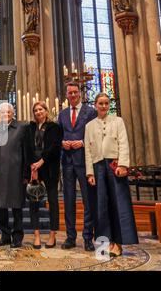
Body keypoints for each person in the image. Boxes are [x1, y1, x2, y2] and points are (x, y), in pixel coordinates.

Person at [85, 93, 138, 257]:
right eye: (100, 103)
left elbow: (124, 143)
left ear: (109, 105)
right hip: (98, 166)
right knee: (101, 206)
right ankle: (105, 243)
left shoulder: (118, 121)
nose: (103, 106)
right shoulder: (89, 126)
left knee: (118, 204)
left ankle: (118, 242)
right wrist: (89, 173)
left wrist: (123, 164)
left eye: (106, 103)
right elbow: (87, 150)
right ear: (95, 105)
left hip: (114, 165)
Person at [57, 82, 97, 251]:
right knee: (69, 200)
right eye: (69, 93)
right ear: (66, 95)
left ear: (79, 94)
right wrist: (62, 143)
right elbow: (58, 135)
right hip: (67, 162)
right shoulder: (63, 114)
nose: (72, 95)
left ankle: (88, 237)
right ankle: (70, 236)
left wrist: (81, 142)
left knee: (88, 200)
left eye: (75, 92)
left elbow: (94, 135)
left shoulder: (91, 112)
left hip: (84, 161)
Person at [0, 103, 29, 249]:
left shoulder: (22, 128)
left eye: (8, 112)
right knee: (0, 206)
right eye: (2, 112)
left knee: (16, 206)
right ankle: (5, 235)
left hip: (16, 173)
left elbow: (26, 151)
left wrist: (26, 173)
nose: (5, 114)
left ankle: (17, 236)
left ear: (13, 113)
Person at [27, 101, 62, 249]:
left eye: (40, 109)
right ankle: (36, 235)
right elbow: (27, 147)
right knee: (33, 201)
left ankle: (52, 234)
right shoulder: (30, 128)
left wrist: (41, 161)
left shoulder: (54, 127)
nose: (38, 112)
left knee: (53, 201)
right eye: (35, 110)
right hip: (34, 169)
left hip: (50, 168)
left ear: (46, 111)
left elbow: (54, 147)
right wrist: (32, 167)